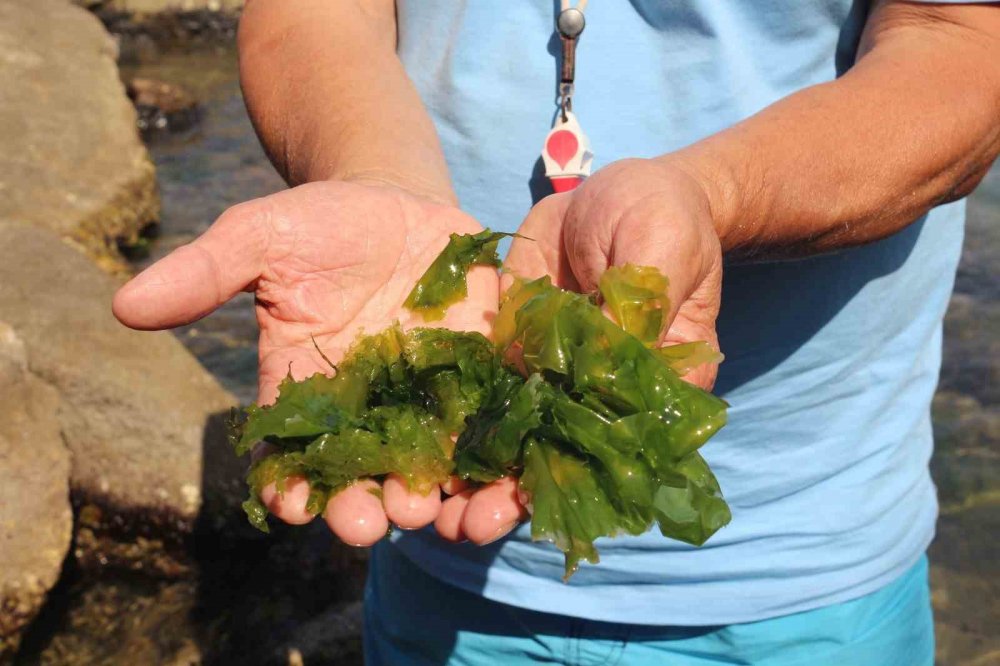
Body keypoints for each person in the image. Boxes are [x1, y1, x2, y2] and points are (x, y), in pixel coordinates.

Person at [113, 1, 1000, 664]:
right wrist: (371, 173)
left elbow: (961, 45)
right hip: (439, 566)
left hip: (805, 575)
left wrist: (711, 194)